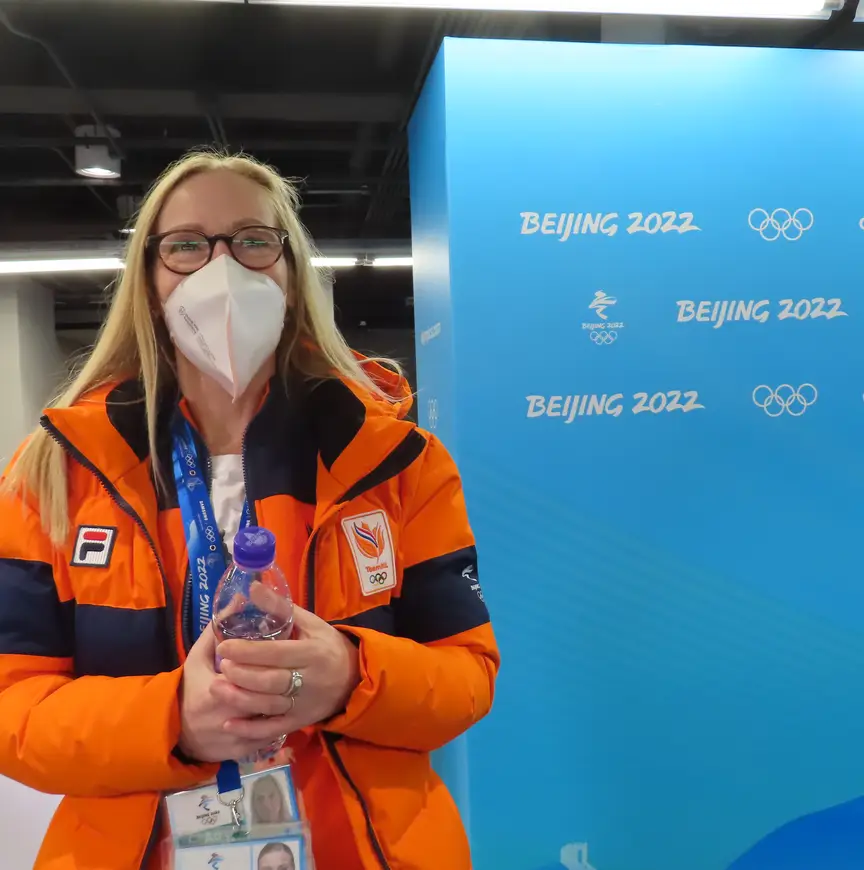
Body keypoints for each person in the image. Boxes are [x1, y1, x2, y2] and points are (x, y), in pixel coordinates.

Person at [0, 150, 499, 870]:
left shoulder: (395, 462)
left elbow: (467, 676)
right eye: (186, 246)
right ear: (149, 281)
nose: (222, 270)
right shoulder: (54, 473)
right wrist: (175, 720)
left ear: (292, 276)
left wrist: (351, 677)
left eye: (253, 241)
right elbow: (13, 707)